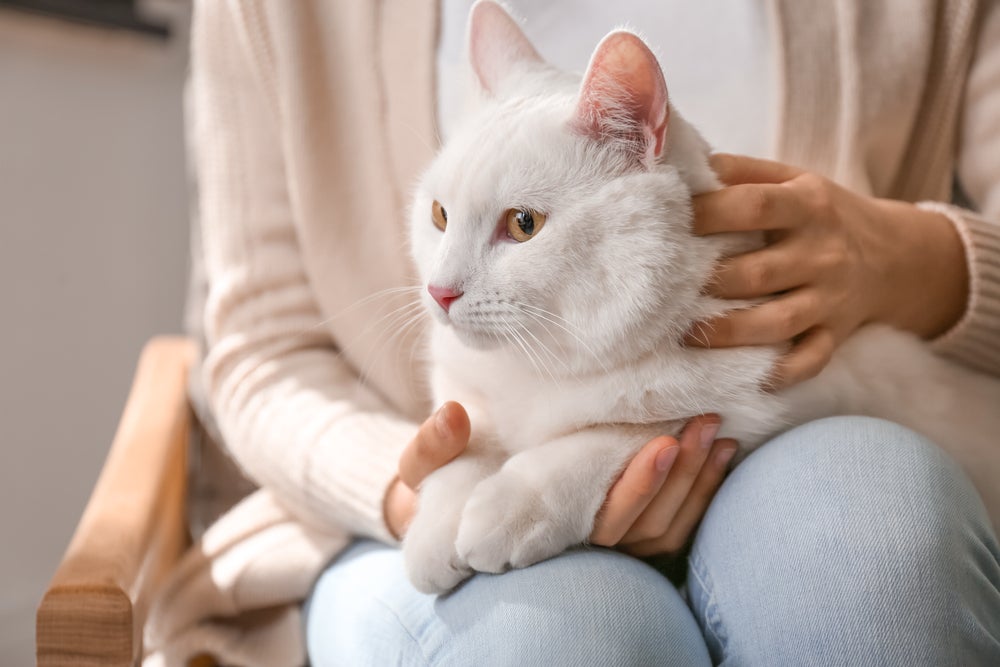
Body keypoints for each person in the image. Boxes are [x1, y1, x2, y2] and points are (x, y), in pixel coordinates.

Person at [181, 0, 1000, 664]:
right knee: (555, 633)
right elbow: (262, 354)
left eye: (522, 222)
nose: (443, 284)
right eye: (438, 217)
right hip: (380, 518)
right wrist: (410, 488)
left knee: (881, 542)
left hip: (801, 451)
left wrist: (924, 261)